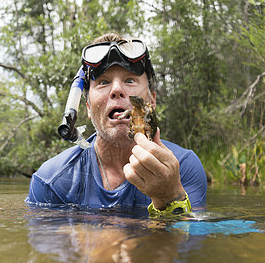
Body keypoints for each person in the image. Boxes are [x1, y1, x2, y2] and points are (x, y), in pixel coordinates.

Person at [26, 33, 207, 215]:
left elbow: (189, 240)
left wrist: (169, 197)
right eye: (103, 82)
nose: (117, 90)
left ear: (152, 100)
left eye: (130, 80)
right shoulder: (52, 181)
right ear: (88, 107)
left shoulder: (182, 167)